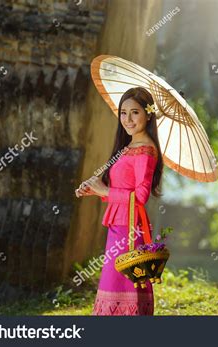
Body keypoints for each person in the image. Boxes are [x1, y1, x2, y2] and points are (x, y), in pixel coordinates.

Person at [75, 87, 163, 315]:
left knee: (123, 284)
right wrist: (95, 191)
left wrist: (104, 189)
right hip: (119, 225)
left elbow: (140, 197)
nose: (128, 119)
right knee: (114, 283)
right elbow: (120, 191)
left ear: (148, 114)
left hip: (130, 229)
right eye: (123, 113)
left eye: (135, 112)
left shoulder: (146, 150)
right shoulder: (127, 148)